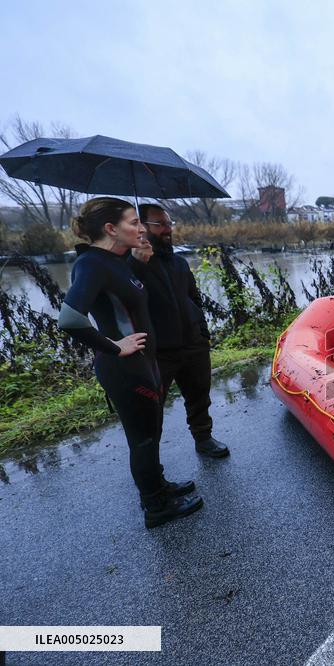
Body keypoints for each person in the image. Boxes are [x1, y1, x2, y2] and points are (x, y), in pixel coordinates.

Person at [58, 198, 204, 529]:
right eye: (134, 222)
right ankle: (156, 507)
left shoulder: (117, 261)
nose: (141, 228)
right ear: (111, 229)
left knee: (150, 433)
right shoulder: (92, 264)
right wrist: (112, 346)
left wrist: (140, 261)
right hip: (126, 368)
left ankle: (159, 487)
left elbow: (126, 302)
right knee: (143, 439)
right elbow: (69, 318)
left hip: (145, 362)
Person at [129, 204, 229, 458]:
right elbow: (126, 302)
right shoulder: (128, 265)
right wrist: (137, 265)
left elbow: (194, 298)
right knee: (151, 408)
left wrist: (203, 332)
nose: (167, 229)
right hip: (158, 351)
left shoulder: (179, 263)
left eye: (169, 223)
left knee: (199, 396)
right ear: (142, 227)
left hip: (193, 343)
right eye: (159, 224)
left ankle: (203, 438)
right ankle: (151, 462)